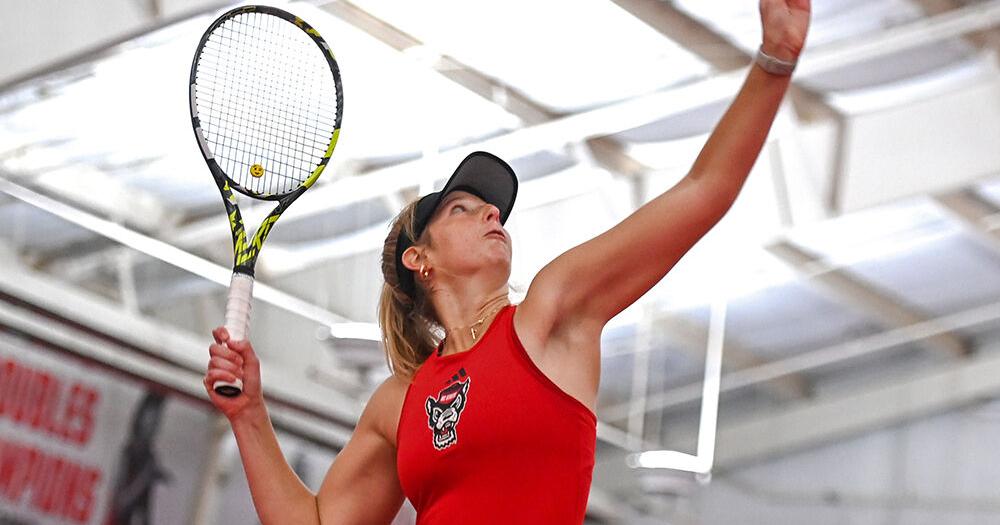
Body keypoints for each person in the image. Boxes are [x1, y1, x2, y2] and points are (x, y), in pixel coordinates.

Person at [203, 1, 811, 523]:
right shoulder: (399, 401)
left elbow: (702, 192)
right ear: (421, 259)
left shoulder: (554, 313)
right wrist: (250, 415)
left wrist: (774, 62)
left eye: (494, 209)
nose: (493, 214)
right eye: (463, 209)